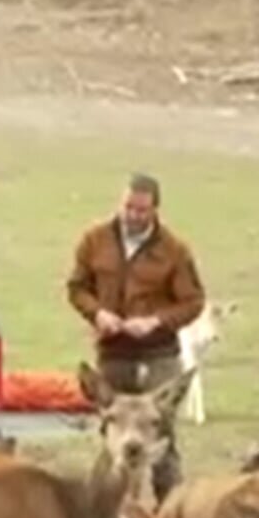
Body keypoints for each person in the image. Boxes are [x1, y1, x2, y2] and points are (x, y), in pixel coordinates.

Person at [63, 172, 206, 501]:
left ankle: (169, 515)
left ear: (155, 210)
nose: (133, 216)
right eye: (128, 207)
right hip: (114, 354)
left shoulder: (175, 251)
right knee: (113, 438)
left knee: (161, 441)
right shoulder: (94, 240)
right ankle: (104, 513)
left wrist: (156, 321)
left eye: (142, 210)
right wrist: (97, 313)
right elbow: (77, 288)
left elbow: (193, 301)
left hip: (159, 354)